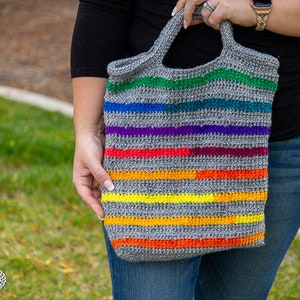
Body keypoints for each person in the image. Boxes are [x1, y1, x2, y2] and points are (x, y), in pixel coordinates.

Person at [70, 0, 300, 299]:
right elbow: (104, 7)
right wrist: (87, 129)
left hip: (280, 146)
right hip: (149, 147)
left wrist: (258, 9)